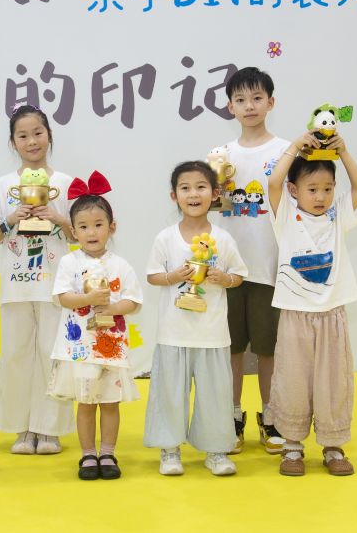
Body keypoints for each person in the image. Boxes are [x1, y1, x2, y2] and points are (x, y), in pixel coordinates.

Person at [266, 130, 357, 476]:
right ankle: (292, 445)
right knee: (293, 378)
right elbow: (274, 183)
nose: (321, 196)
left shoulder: (338, 215)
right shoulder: (285, 216)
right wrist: (296, 146)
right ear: (295, 191)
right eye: (312, 189)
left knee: (333, 381)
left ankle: (333, 445)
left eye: (327, 189)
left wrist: (344, 152)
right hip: (295, 315)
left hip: (332, 314)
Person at [144, 161, 249, 476]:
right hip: (173, 333)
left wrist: (223, 278)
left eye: (201, 187)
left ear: (215, 193)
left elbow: (239, 275)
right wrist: (174, 276)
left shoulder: (224, 239)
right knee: (170, 393)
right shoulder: (165, 238)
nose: (193, 194)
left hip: (212, 334)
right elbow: (152, 276)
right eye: (185, 188)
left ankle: (216, 451)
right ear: (173, 195)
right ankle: (170, 449)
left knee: (215, 394)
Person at [0, 105, 75, 455]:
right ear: (13, 142)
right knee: (17, 355)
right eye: (23, 135)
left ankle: (49, 429)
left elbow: (80, 235)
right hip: (16, 286)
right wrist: (10, 218)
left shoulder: (65, 184)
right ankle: (21, 427)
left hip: (56, 286)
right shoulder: (3, 185)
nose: (31, 141)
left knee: (52, 354)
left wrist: (58, 217)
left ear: (49, 135)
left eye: (38, 133)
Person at [214, 67, 291, 454]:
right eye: (241, 99)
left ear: (271, 103)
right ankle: (231, 416)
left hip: (270, 266)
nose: (249, 106)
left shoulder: (287, 151)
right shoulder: (220, 156)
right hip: (228, 270)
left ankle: (272, 417)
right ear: (230, 107)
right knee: (229, 348)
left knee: (268, 349)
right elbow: (208, 203)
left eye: (257, 98)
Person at [48, 171, 142, 480]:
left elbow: (134, 301)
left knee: (111, 403)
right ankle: (88, 454)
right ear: (73, 231)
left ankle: (108, 452)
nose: (91, 232)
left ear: (112, 227)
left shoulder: (120, 264)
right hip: (79, 348)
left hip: (111, 348)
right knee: (86, 403)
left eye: (99, 224)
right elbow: (62, 297)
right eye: (84, 226)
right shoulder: (69, 263)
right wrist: (87, 298)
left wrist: (112, 307)